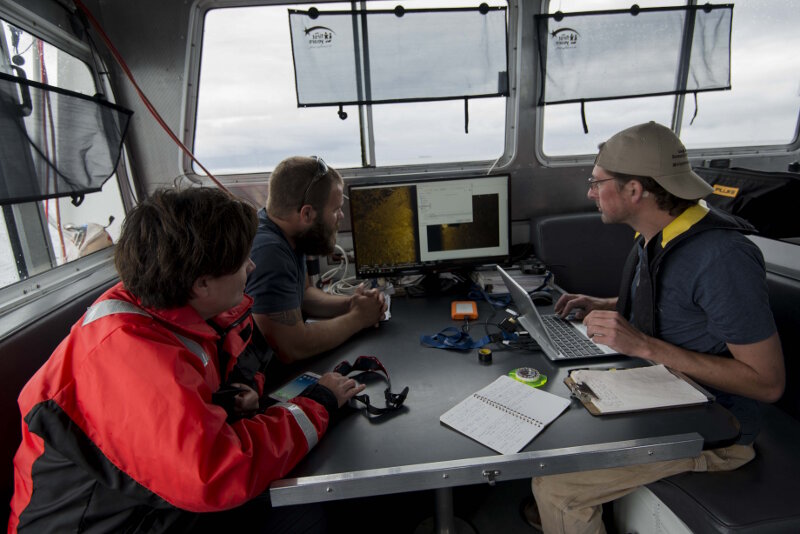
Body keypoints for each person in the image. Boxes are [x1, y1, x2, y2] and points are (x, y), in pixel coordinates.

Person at [8, 187, 366, 533]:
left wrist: (235, 399)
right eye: (243, 261)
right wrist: (319, 402)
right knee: (311, 515)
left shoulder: (180, 309)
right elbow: (217, 472)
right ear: (202, 283)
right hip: (109, 521)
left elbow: (231, 366)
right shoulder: (129, 353)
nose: (252, 267)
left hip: (149, 503)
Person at [525, 122, 785, 533]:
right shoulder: (660, 233)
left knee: (558, 485)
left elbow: (768, 383)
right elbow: (678, 302)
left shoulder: (722, 258)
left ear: (634, 191)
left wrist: (645, 345)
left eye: (597, 183)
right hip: (666, 400)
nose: (590, 193)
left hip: (719, 433)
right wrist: (607, 304)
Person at [246, 156, 386, 364]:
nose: (341, 216)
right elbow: (293, 346)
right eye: (335, 209)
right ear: (307, 213)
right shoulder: (270, 252)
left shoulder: (289, 233)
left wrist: (352, 304)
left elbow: (302, 296)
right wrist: (358, 318)